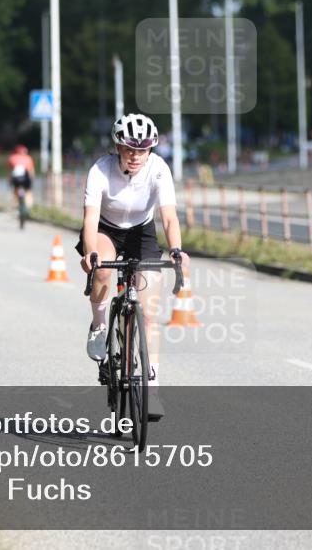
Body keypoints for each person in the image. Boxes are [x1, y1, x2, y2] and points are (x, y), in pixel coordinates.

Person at [76, 113, 188, 421]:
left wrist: (176, 249)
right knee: (102, 269)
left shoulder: (159, 169)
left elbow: (169, 217)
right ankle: (99, 325)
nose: (136, 156)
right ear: (118, 147)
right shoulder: (100, 170)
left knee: (149, 314)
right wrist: (90, 253)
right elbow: (90, 218)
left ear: (151, 149)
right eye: (129, 149)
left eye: (142, 149)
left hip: (141, 232)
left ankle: (152, 388)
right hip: (105, 229)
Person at [7, 145, 35, 209]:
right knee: (28, 191)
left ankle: (16, 203)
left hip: (16, 179)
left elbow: (10, 171)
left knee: (16, 190)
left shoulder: (12, 158)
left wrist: (9, 180)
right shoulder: (28, 158)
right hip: (26, 178)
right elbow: (31, 171)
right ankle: (29, 205)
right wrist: (32, 179)